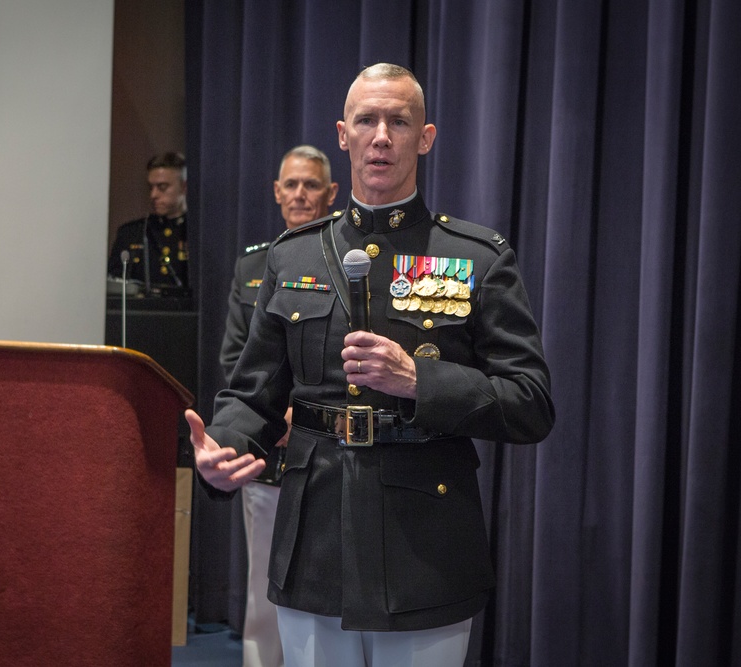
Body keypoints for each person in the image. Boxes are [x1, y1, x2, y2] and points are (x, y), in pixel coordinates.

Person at [187, 63, 554, 667]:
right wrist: (221, 452)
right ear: (343, 134)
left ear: (426, 137)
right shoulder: (291, 257)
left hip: (424, 550)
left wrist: (419, 380)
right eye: (367, 120)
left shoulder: (476, 259)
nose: (381, 135)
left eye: (399, 121)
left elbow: (531, 403)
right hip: (315, 541)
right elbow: (252, 394)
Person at [219, 145, 339, 667]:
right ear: (275, 192)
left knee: (328, 600)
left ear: (331, 194)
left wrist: (304, 414)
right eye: (290, 184)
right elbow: (237, 361)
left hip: (332, 458)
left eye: (310, 184)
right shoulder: (253, 265)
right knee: (264, 598)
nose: (299, 194)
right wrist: (277, 418)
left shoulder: (348, 262)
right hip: (269, 463)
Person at [107, 152, 189, 294]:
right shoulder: (132, 233)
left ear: (183, 187)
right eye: (151, 187)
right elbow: (114, 284)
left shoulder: (195, 233)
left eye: (162, 187)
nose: (153, 195)